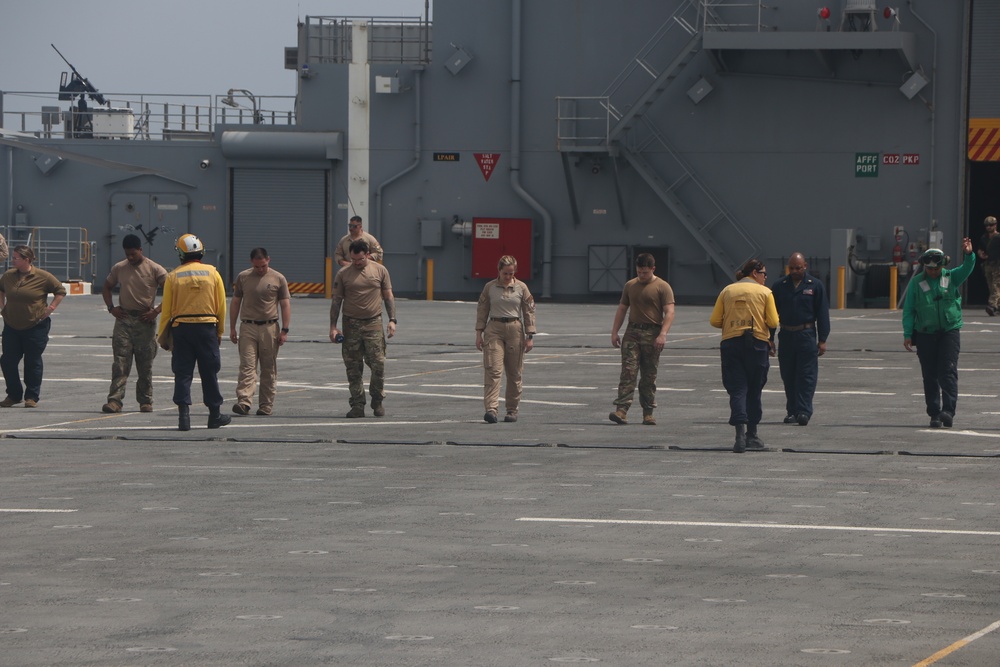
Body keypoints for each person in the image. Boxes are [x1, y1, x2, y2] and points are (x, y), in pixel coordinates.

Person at [158, 234, 231, 431]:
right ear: (202, 251)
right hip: (207, 328)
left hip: (181, 329)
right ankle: (214, 415)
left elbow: (167, 310)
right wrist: (220, 332)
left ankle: (184, 418)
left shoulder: (173, 276)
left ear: (181, 254)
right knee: (209, 373)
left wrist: (162, 336)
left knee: (182, 373)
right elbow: (221, 306)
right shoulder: (213, 273)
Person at [902, 240, 975, 429]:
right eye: (930, 269)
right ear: (924, 266)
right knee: (930, 375)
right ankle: (934, 413)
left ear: (942, 265)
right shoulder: (917, 283)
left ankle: (948, 411)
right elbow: (909, 310)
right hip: (925, 334)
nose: (933, 272)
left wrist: (968, 254)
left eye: (937, 269)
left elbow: (967, 268)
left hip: (949, 332)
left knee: (948, 371)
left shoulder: (951, 277)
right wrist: (908, 333)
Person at [709, 258, 780, 453]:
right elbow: (773, 321)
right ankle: (752, 435)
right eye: (764, 274)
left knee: (738, 388)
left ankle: (739, 436)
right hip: (757, 345)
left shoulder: (727, 290)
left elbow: (715, 321)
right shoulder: (765, 292)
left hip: (731, 344)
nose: (765, 278)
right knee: (754, 389)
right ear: (755, 273)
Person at [329, 239, 396, 418]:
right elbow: (336, 301)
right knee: (353, 366)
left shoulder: (380, 271)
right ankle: (357, 404)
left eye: (360, 259)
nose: (356, 263)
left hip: (373, 323)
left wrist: (392, 320)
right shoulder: (344, 274)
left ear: (367, 255)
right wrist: (333, 327)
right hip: (351, 325)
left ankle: (377, 399)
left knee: (378, 363)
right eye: (353, 259)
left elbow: (388, 296)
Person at [101, 234, 167, 413]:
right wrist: (111, 307)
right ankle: (114, 400)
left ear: (140, 250)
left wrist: (156, 311)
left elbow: (171, 292)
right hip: (124, 320)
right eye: (127, 254)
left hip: (144, 321)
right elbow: (106, 287)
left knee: (145, 364)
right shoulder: (119, 268)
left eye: (133, 254)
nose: (130, 258)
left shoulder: (154, 269)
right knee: (120, 363)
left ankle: (145, 401)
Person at [608, 253, 676, 426]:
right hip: (632, 332)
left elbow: (669, 312)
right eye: (639, 272)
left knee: (648, 375)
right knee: (628, 372)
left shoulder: (663, 287)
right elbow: (622, 309)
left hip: (652, 333)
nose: (642, 275)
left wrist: (663, 334)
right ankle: (621, 410)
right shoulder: (630, 285)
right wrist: (615, 332)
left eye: (645, 272)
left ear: (653, 269)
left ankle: (648, 412)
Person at [0, 245, 67, 408]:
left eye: (16, 258)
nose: (12, 260)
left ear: (26, 260)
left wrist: (50, 308)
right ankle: (14, 395)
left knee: (32, 361)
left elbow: (60, 290)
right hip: (11, 325)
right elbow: (0, 290)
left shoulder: (43, 277)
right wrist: (2, 307)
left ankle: (32, 396)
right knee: (7, 361)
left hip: (35, 326)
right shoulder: (8, 276)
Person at [229, 247, 291, 416]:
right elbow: (235, 302)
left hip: (269, 328)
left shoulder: (278, 278)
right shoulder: (243, 277)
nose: (260, 269)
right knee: (247, 366)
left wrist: (284, 330)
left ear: (268, 260)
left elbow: (285, 304)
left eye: (263, 266)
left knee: (268, 368)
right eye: (257, 267)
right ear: (252, 263)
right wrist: (232, 327)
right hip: (248, 326)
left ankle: (265, 405)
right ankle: (244, 402)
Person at [475, 255, 537, 423]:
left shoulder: (521, 288)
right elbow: (482, 310)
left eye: (511, 274)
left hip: (514, 330)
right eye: (505, 274)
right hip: (494, 328)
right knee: (493, 370)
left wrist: (529, 336)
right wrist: (478, 333)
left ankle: (512, 409)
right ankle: (491, 409)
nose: (508, 277)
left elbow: (529, 312)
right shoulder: (490, 288)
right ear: (499, 271)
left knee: (514, 372)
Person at [771, 253, 830, 426]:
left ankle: (804, 411)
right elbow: (772, 315)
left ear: (805, 266)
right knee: (788, 375)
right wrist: (769, 338)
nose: (795, 271)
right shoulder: (779, 286)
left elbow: (822, 314)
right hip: (786, 335)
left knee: (806, 376)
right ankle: (792, 411)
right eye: (792, 268)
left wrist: (823, 339)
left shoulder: (815, 286)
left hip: (806, 335)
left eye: (798, 267)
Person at [977, 216, 999, 316]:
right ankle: (997, 305)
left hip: (998, 264)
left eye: (991, 225)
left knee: (996, 285)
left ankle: (992, 305)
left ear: (995, 225)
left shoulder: (998, 238)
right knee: (991, 286)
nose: (989, 227)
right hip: (988, 264)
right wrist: (981, 254)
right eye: (987, 225)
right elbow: (980, 249)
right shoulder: (984, 238)